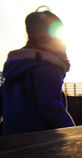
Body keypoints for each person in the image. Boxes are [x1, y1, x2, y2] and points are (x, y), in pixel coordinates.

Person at [0, 6, 75, 136]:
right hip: (42, 144)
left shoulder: (15, 68)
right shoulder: (48, 68)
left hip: (12, 143)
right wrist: (73, 134)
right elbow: (52, 107)